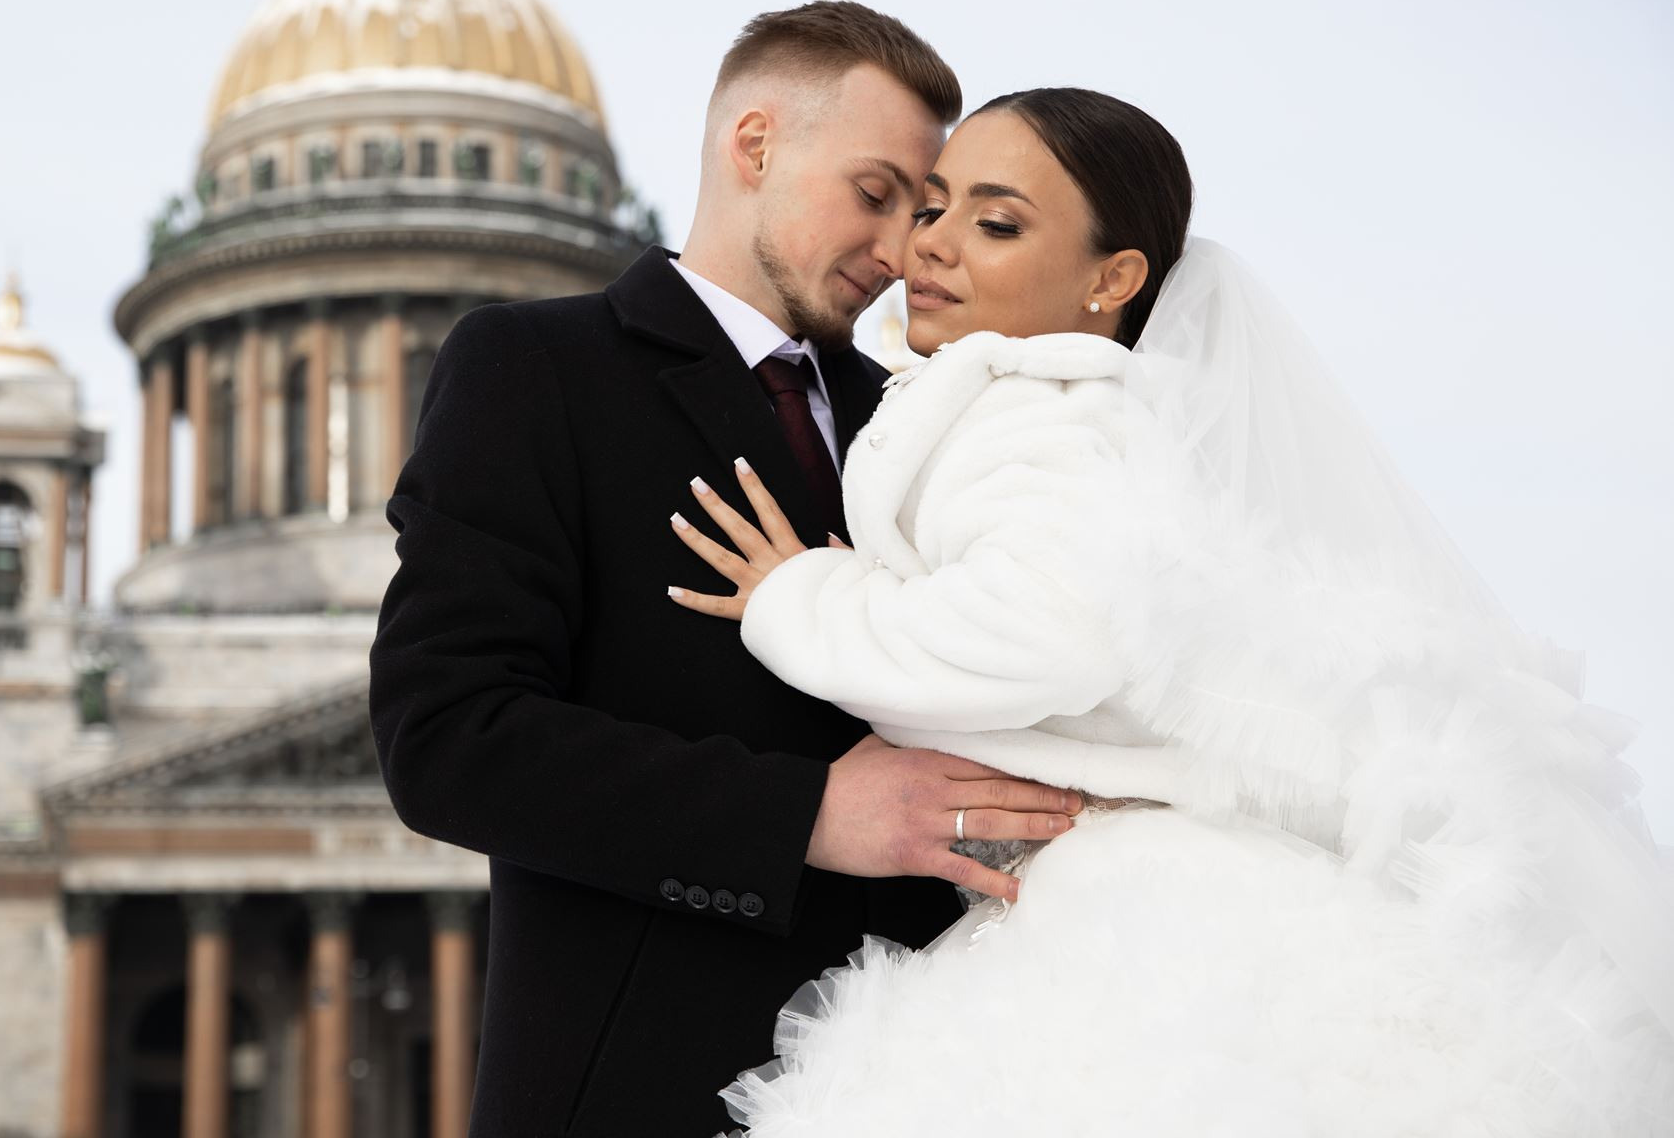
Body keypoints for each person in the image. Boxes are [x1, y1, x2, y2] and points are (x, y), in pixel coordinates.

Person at [674, 87, 1674, 1135]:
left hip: (1124, 925)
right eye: (931, 207)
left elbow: (1049, 630)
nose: (934, 244)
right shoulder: (1080, 415)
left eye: (998, 222)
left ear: (1114, 278)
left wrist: (805, 598)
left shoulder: (1027, 408)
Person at [369, 3, 1087, 1135]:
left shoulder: (918, 415)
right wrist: (809, 812)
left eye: (927, 208)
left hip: (925, 1077)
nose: (903, 250)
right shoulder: (534, 370)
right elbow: (447, 738)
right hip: (645, 1090)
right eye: (876, 193)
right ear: (754, 145)